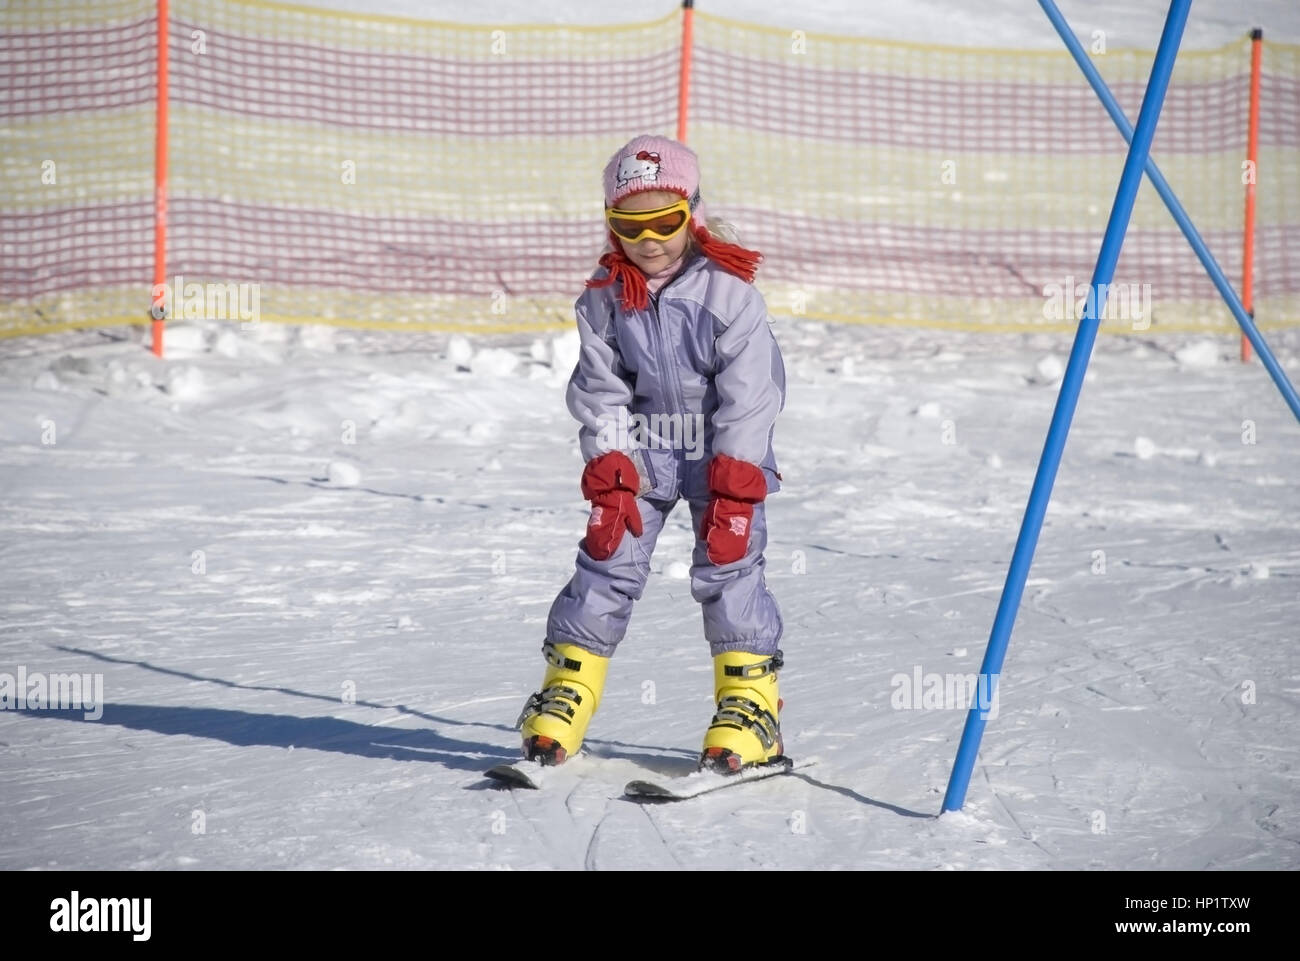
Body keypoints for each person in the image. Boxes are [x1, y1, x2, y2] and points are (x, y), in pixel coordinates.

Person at [515, 135, 787, 774]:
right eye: (629, 225)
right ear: (611, 225)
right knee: (606, 559)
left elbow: (752, 394)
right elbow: (600, 389)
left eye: (665, 222)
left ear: (691, 213)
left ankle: (751, 706)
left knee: (729, 564)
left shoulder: (729, 294)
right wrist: (611, 468)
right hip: (645, 452)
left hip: (721, 453)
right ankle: (568, 689)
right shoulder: (604, 298)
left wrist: (738, 480)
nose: (650, 239)